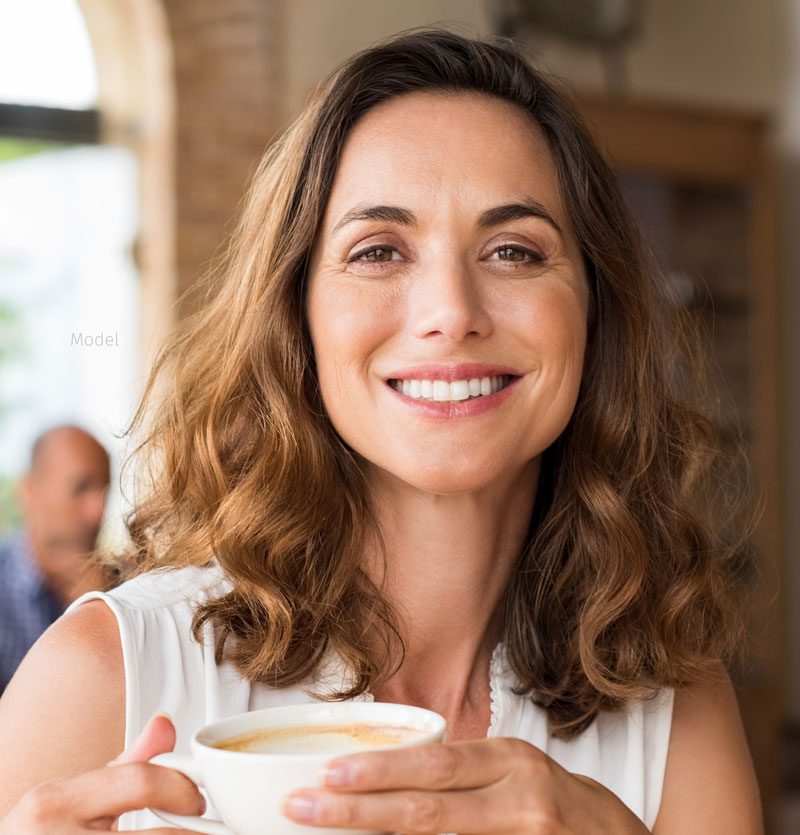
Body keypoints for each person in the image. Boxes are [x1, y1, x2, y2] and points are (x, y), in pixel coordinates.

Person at [0, 30, 762, 833]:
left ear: (593, 310)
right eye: (378, 251)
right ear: (298, 316)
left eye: (513, 250)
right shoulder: (104, 676)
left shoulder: (673, 704)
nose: (452, 313)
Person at [0, 424, 110, 692]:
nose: (98, 510)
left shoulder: (120, 586)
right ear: (29, 491)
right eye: (81, 488)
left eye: (105, 490)